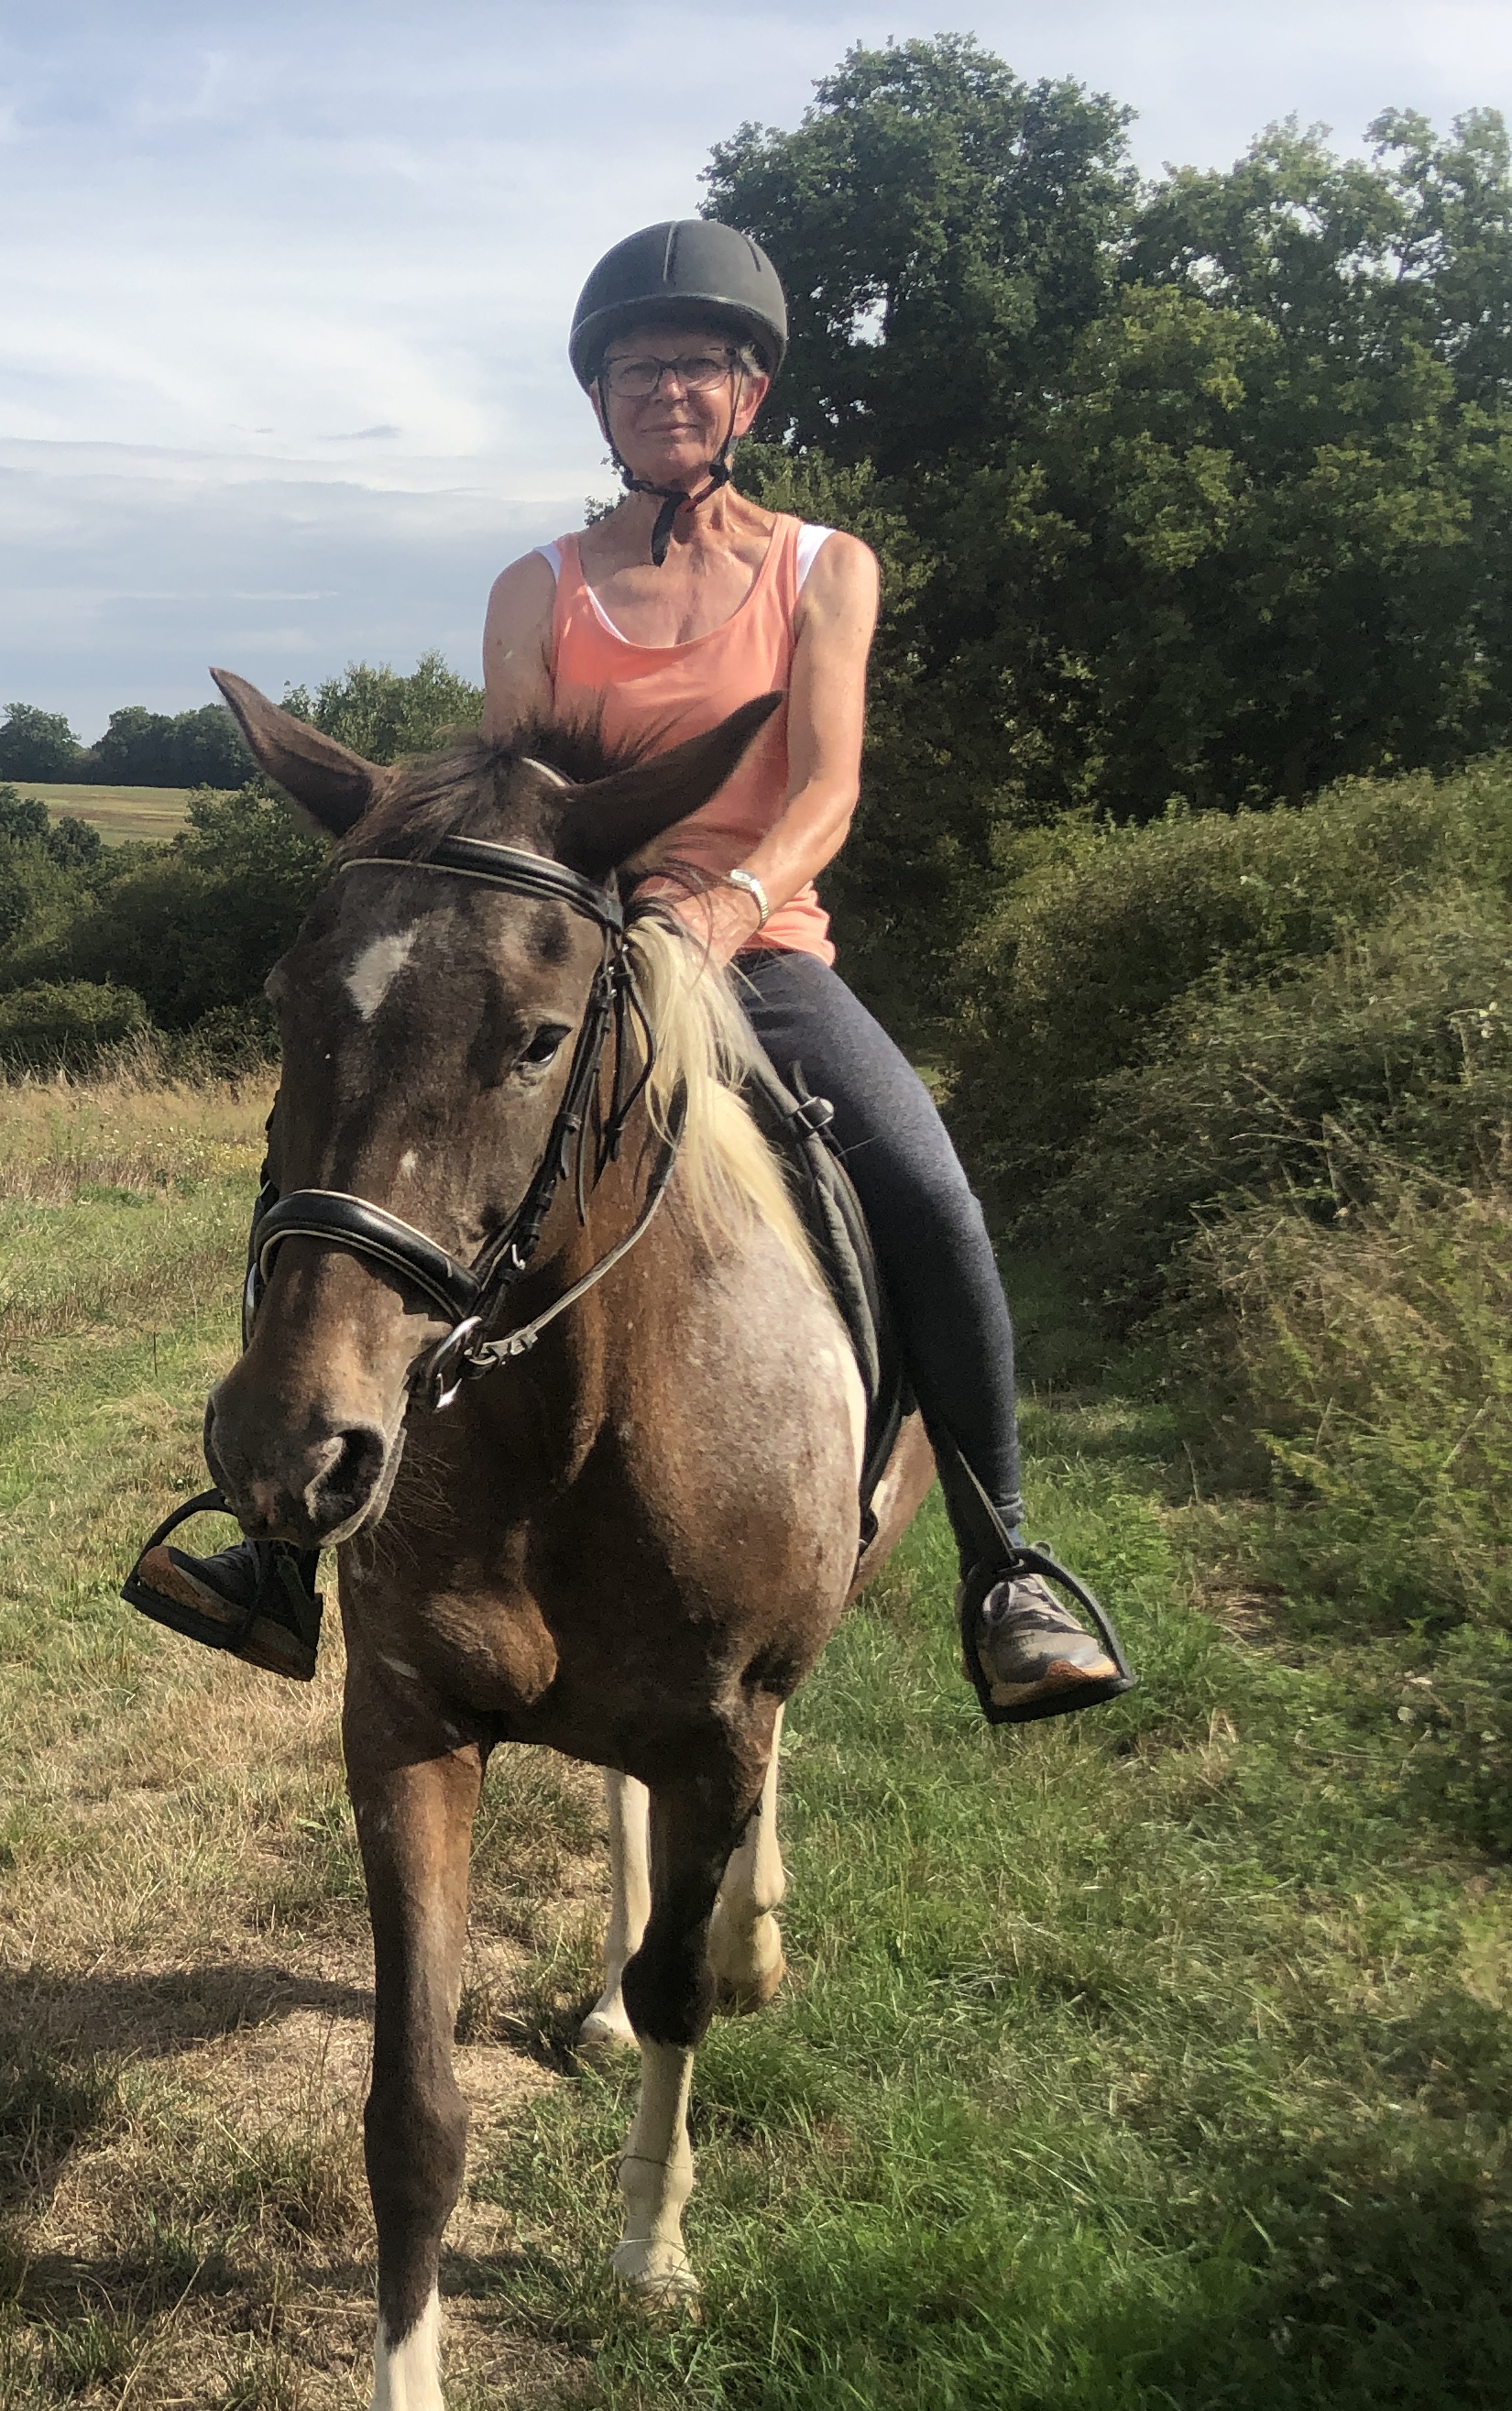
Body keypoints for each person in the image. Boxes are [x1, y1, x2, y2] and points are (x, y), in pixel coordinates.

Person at [134, 218, 1127, 1722]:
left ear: (753, 395)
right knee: (343, 1148)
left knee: (924, 1191)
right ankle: (271, 1539)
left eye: (700, 366)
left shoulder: (823, 569)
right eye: (636, 368)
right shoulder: (538, 586)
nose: (668, 388)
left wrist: (726, 910)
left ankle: (1007, 1563)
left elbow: (827, 793)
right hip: (567, 946)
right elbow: (514, 789)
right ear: (600, 400)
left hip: (753, 948)